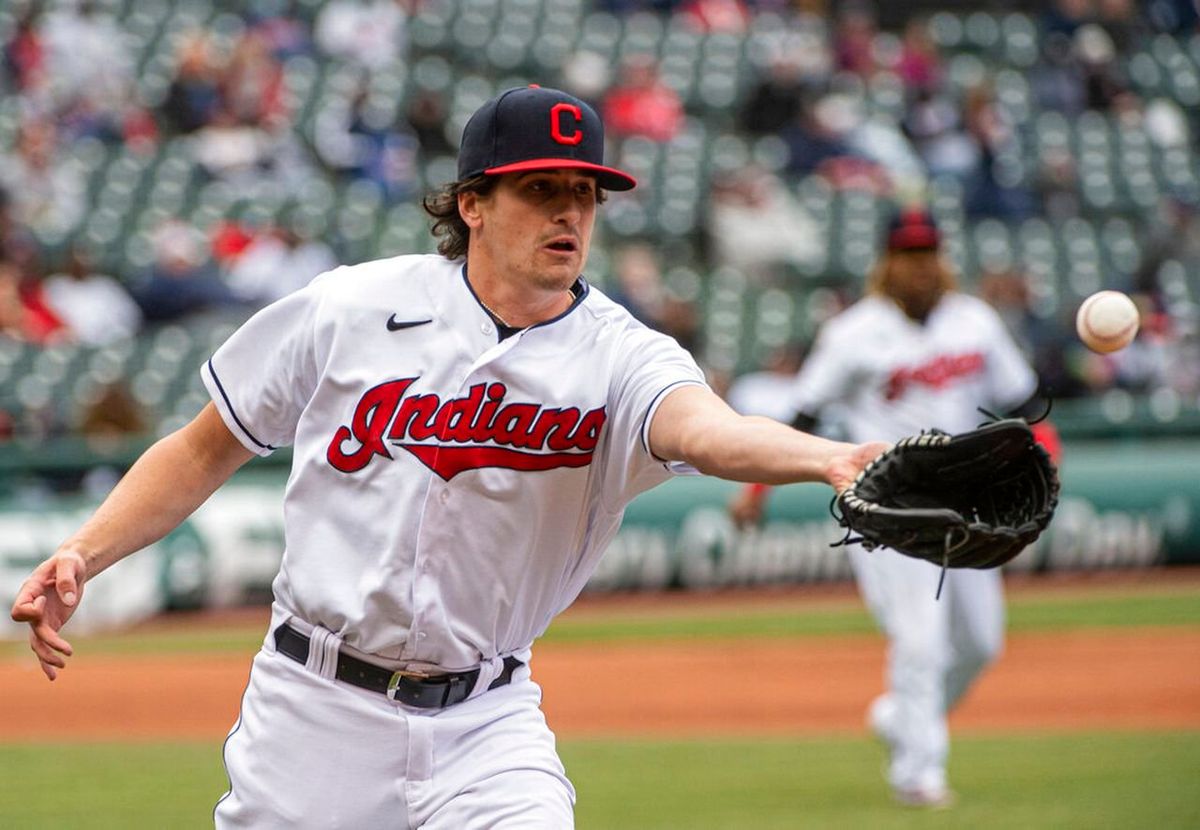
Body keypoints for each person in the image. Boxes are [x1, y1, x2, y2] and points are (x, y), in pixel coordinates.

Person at [11, 85, 888, 828]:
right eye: (541, 189)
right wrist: (85, 550)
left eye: (584, 193)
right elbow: (204, 448)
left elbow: (704, 428)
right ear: (471, 203)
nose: (568, 212)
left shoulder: (624, 353)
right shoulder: (349, 309)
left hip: (488, 720)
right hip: (314, 711)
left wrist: (827, 458)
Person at [729, 207, 1046, 808]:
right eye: (909, 254)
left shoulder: (973, 321)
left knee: (982, 643)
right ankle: (917, 773)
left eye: (929, 253)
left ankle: (902, 719)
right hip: (890, 504)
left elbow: (1024, 400)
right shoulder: (853, 333)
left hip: (968, 501)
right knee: (920, 639)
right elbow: (804, 417)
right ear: (887, 262)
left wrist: (1044, 461)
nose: (921, 266)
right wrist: (755, 492)